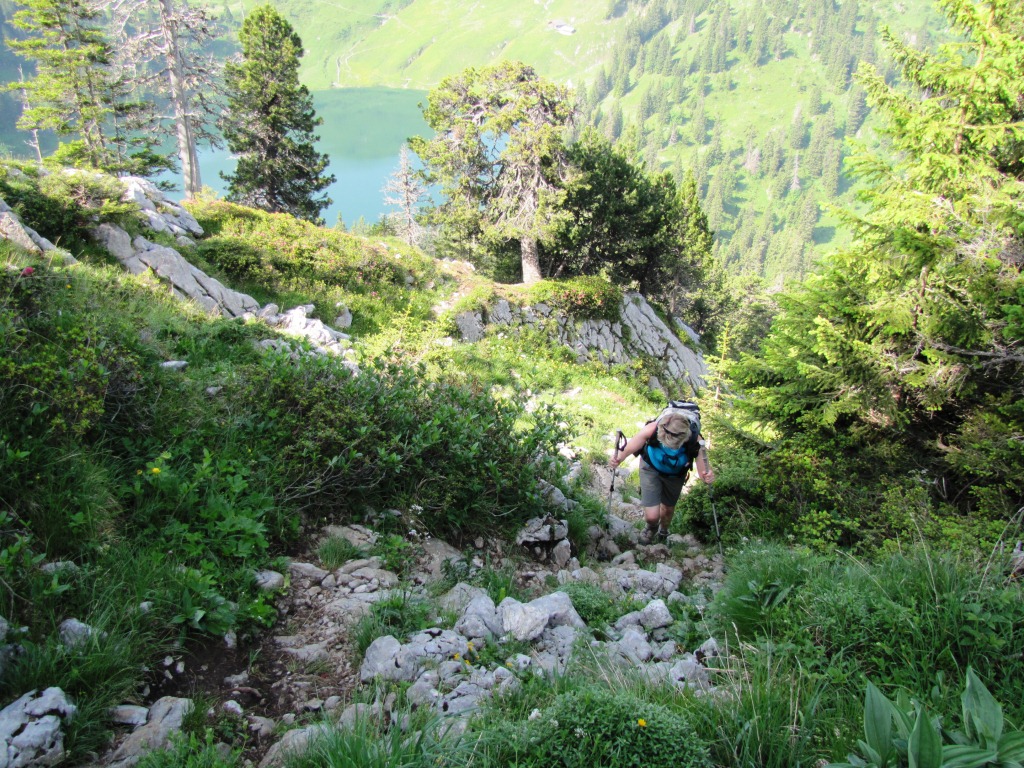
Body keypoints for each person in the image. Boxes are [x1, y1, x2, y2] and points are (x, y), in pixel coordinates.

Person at [609, 412, 715, 543]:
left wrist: (708, 477)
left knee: (668, 508)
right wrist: (617, 459)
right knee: (652, 516)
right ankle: (651, 528)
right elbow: (627, 449)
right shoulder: (652, 429)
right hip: (650, 468)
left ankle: (663, 532)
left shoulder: (695, 440)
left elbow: (704, 472)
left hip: (676, 474)